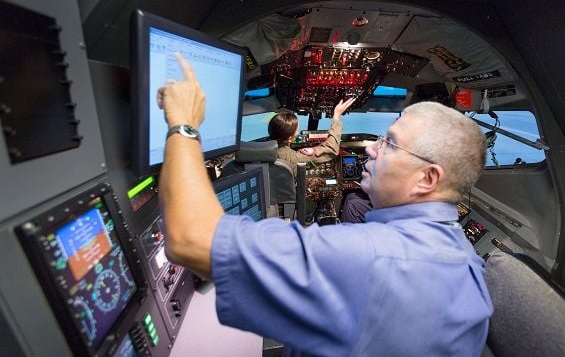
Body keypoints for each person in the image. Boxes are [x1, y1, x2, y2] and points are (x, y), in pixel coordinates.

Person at [158, 54, 492, 356]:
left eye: (389, 143)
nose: (372, 149)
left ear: (427, 179)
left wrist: (183, 125)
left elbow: (190, 238)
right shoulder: (468, 260)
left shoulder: (366, 255)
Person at [268, 97, 355, 177]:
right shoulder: (295, 159)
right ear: (290, 138)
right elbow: (331, 149)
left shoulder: (259, 152)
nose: (298, 133)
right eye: (296, 131)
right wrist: (336, 117)